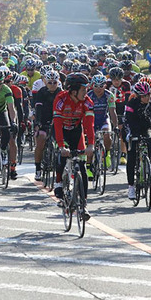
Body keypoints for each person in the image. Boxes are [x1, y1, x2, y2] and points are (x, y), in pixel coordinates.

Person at [52, 73, 94, 221]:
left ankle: (84, 204)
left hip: (76, 131)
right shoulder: (60, 99)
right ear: (73, 91)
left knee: (82, 167)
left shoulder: (87, 102)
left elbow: (89, 125)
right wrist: (61, 146)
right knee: (62, 157)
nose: (86, 93)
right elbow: (57, 124)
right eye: (83, 89)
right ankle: (58, 182)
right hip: (61, 131)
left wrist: (91, 145)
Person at [123, 81, 151, 200]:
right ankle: (131, 186)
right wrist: (130, 135)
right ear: (138, 95)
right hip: (131, 128)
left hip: (144, 127)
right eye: (144, 96)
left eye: (148, 95)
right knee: (131, 156)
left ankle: (149, 169)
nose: (147, 98)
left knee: (150, 143)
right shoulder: (131, 104)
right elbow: (128, 121)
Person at [33, 70, 62, 181]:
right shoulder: (41, 92)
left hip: (57, 119)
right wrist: (38, 122)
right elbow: (38, 108)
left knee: (60, 142)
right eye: (50, 82)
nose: (52, 85)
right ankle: (38, 169)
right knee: (41, 139)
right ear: (45, 82)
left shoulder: (61, 92)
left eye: (55, 82)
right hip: (43, 118)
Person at [87, 73, 117, 177]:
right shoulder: (88, 95)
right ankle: (89, 166)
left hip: (104, 118)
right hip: (91, 120)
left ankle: (107, 153)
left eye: (101, 86)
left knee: (107, 135)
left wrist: (116, 126)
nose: (99, 89)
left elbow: (112, 112)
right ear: (92, 85)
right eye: (96, 86)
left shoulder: (109, 95)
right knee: (90, 142)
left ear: (105, 85)